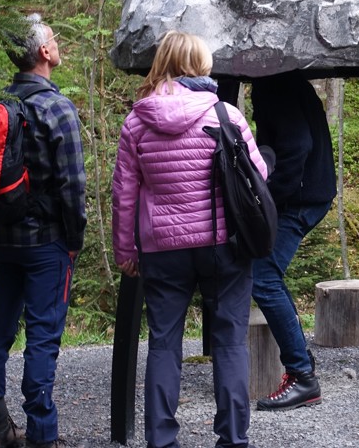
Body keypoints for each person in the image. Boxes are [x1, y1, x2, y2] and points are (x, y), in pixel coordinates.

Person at [112, 31, 267, 448]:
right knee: (230, 341)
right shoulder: (225, 115)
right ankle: (233, 439)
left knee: (164, 343)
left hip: (162, 250)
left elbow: (124, 193)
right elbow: (258, 177)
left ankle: (161, 440)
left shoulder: (136, 121)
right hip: (222, 246)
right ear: (199, 65)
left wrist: (125, 249)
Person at [0, 14, 87, 448]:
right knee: (43, 335)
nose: (58, 43)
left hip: (6, 239)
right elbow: (73, 185)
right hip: (48, 244)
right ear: (43, 52)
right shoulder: (57, 108)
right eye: (54, 38)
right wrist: (73, 241)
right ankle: (42, 434)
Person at [249, 71, 336, 411]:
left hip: (300, 199)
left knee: (263, 276)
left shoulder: (274, 84)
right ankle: (300, 361)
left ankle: (302, 376)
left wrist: (267, 197)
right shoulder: (286, 80)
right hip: (310, 193)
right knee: (266, 274)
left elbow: (298, 145)